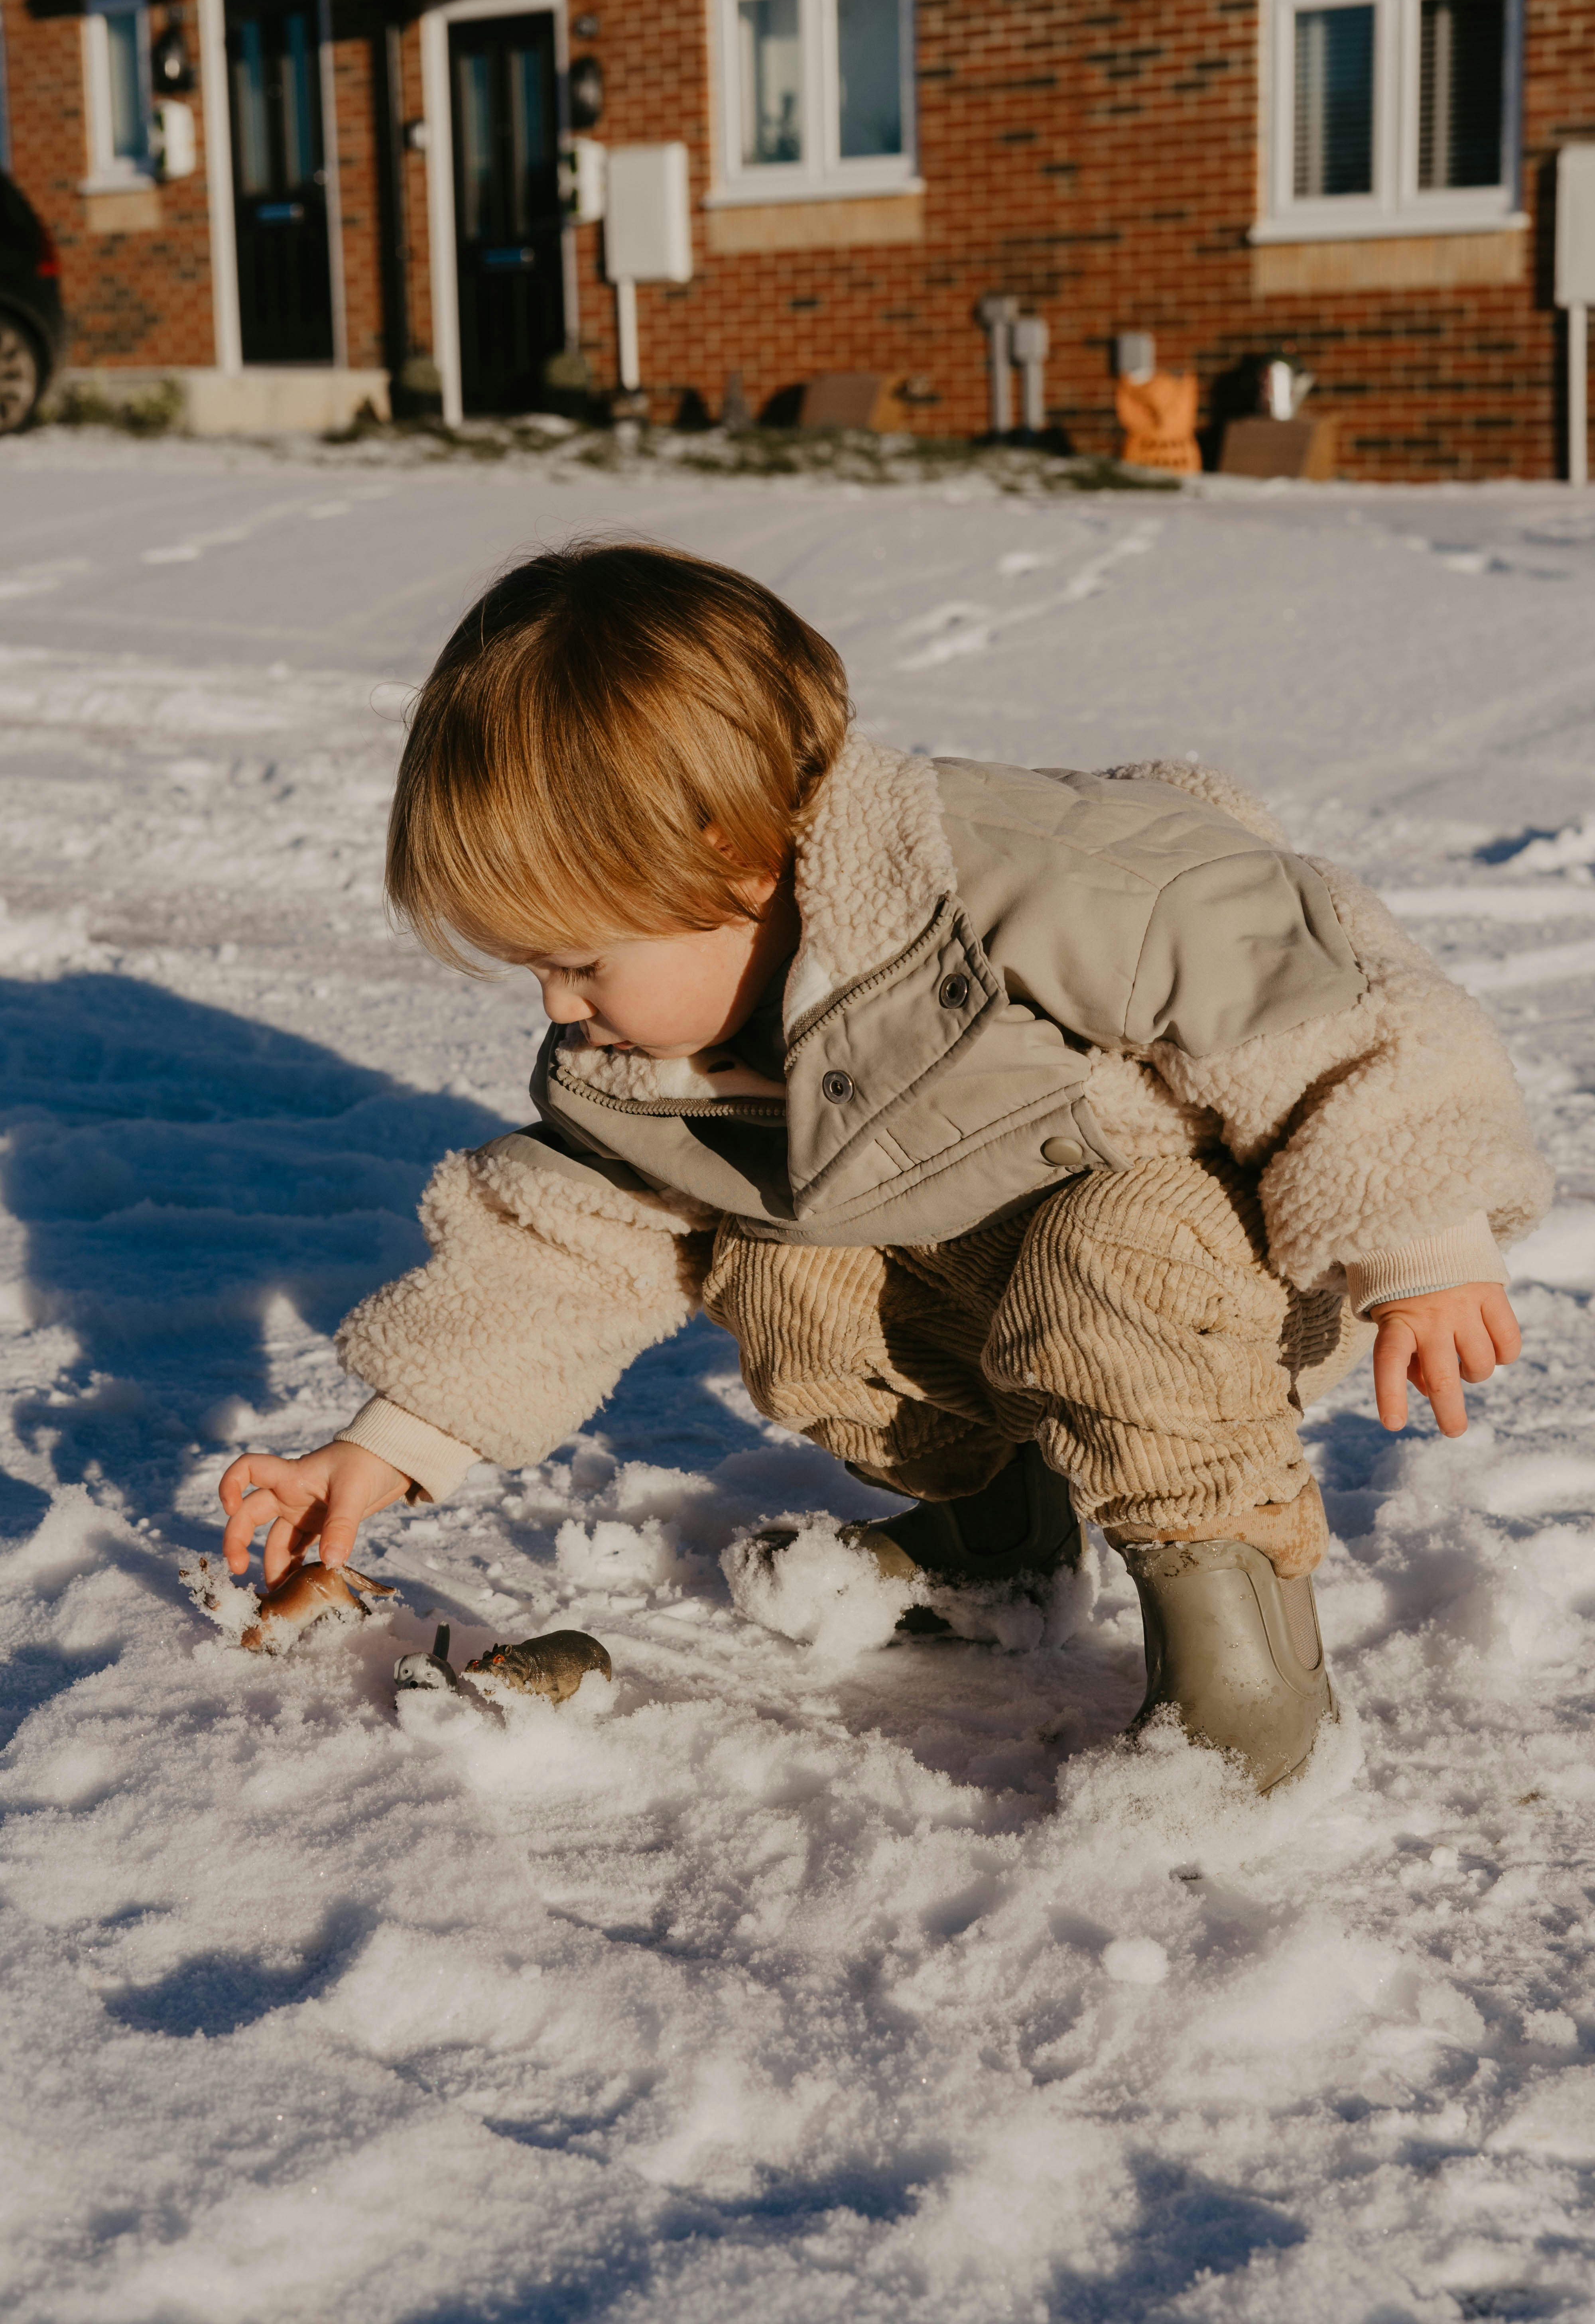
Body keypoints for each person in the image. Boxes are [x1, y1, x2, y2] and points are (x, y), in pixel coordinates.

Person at [219, 541, 1549, 1790]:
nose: (560, 1009)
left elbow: (1324, 998)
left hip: (1256, 1266)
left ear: (732, 862)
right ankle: (997, 1551)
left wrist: (1419, 1241)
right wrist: (385, 1449)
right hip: (1018, 1288)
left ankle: (1248, 1681)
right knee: (782, 1265)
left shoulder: (1021, 881)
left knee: (1114, 1249)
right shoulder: (650, 1073)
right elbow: (567, 1248)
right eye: (537, 971)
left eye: (581, 962)